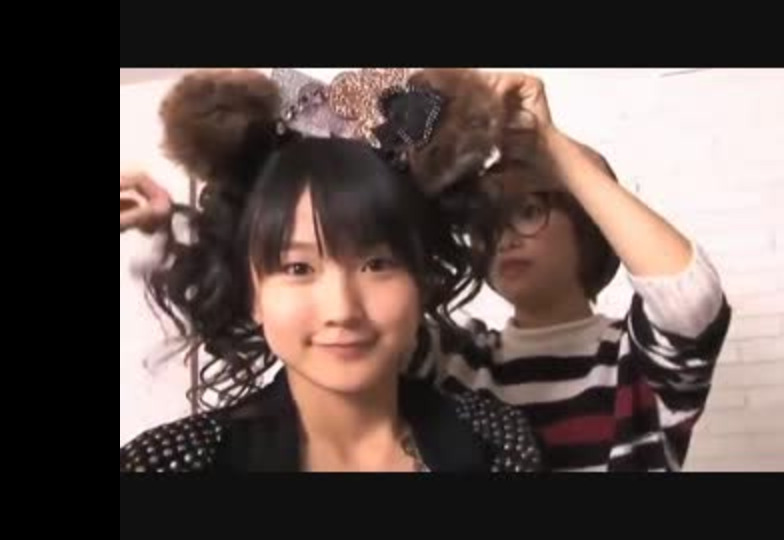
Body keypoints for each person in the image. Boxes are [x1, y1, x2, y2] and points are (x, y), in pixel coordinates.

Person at [119, 69, 542, 472]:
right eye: (298, 268)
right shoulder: (172, 462)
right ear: (253, 292)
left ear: (422, 282)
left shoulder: (494, 441)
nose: (342, 310)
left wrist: (548, 147)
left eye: (376, 264)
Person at [405, 72, 732, 472]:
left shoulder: (633, 361)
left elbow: (690, 298)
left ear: (588, 226)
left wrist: (547, 143)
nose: (505, 239)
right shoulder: (453, 360)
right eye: (491, 222)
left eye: (528, 212)